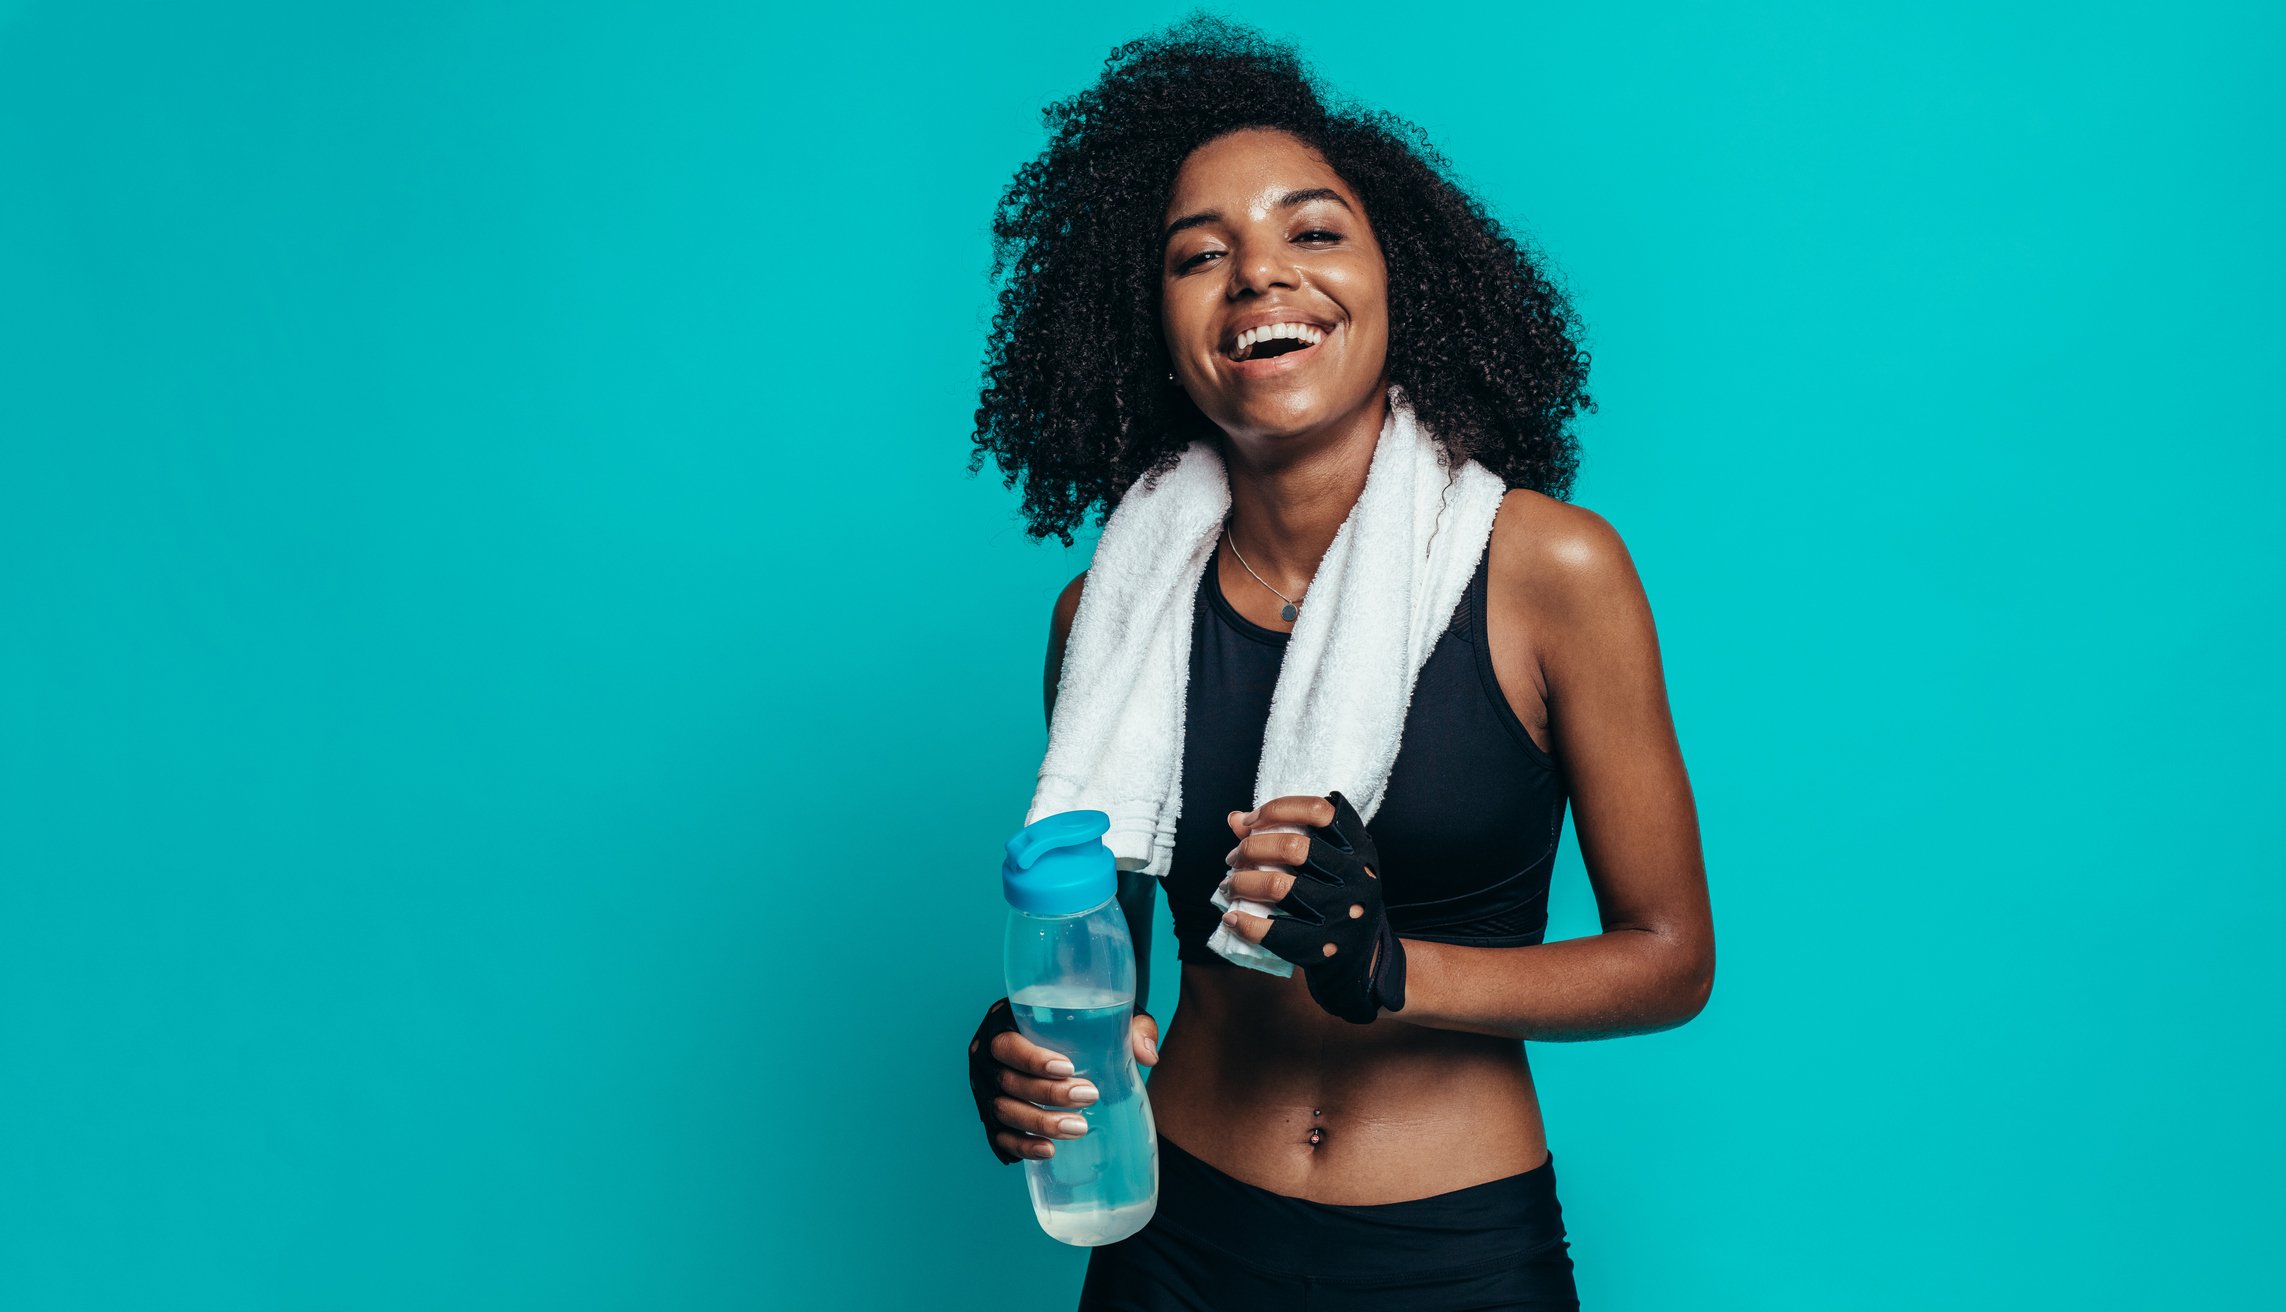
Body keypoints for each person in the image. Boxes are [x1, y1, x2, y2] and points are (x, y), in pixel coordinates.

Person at [963, 17, 1713, 1309]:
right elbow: (1102, 975)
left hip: (1447, 1249)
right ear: (1153, 319)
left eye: (1312, 233)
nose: (1260, 278)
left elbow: (1667, 959)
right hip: (1169, 1235)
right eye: (1201, 257)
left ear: (1398, 277)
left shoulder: (1550, 571)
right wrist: (1020, 1051)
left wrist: (1389, 968)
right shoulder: (1107, 615)